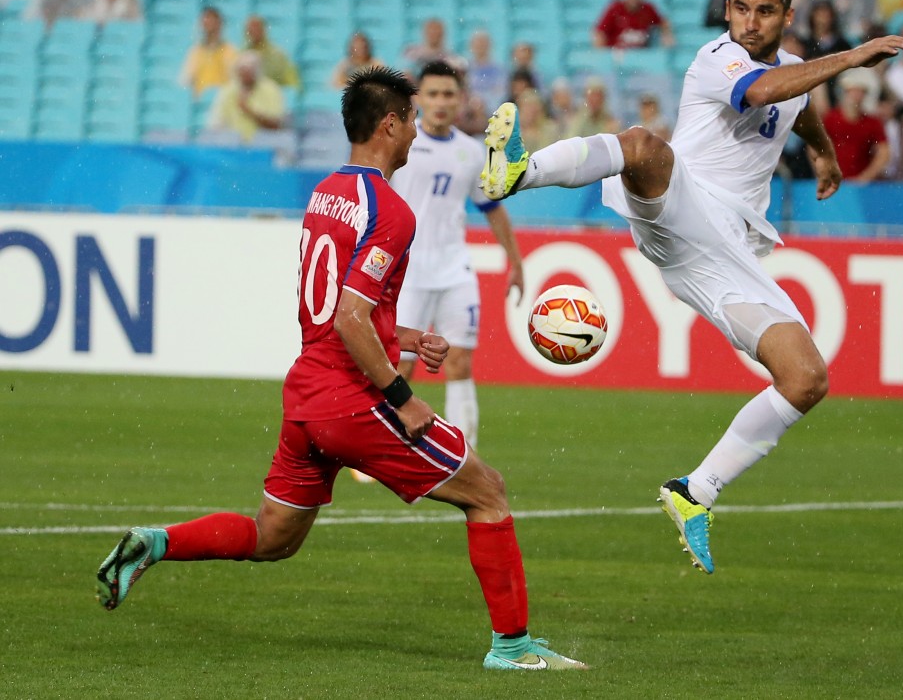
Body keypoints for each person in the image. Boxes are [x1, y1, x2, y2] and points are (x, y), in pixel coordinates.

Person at [95, 65, 585, 672]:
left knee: (273, 537)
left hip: (305, 393)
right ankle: (512, 648)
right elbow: (351, 315)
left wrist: (404, 336)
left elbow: (335, 311)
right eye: (408, 120)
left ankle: (159, 541)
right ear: (389, 123)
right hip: (352, 401)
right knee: (488, 493)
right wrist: (402, 395)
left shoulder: (326, 191)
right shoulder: (392, 209)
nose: (415, 134)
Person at [479, 0, 903, 574]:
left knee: (806, 377)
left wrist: (820, 153)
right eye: (740, 8)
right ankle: (521, 173)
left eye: (764, 11)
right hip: (686, 209)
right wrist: (851, 56)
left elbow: (794, 101)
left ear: (787, 16)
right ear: (726, 8)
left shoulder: (791, 71)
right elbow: (761, 93)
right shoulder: (718, 59)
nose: (750, 22)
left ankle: (695, 492)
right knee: (643, 146)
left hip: (726, 255)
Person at [390, 60, 524, 452]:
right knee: (402, 366)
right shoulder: (402, 146)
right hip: (407, 273)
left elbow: (492, 208)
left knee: (460, 362)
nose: (441, 101)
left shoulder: (471, 152)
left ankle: (462, 452)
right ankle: (382, 446)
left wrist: (515, 262)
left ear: (461, 99)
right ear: (418, 100)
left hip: (454, 270)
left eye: (449, 94)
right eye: (432, 94)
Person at [823, 68, 890, 182]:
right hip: (834, 182)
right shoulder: (830, 119)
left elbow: (884, 153)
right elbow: (814, 148)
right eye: (853, 90)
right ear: (845, 91)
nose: (856, 95)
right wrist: (825, 173)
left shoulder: (872, 123)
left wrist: (865, 178)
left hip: (861, 187)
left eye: (860, 91)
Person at [206, 51, 286, 142]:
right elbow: (215, 125)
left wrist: (248, 110)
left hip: (265, 147)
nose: (245, 75)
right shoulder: (227, 92)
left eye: (249, 71)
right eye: (242, 71)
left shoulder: (271, 89)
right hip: (232, 148)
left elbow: (276, 125)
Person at [592, 0, 675, 49]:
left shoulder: (648, 9)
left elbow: (663, 23)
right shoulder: (615, 8)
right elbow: (600, 33)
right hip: (619, 58)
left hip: (641, 57)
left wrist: (666, 36)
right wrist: (604, 57)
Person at [179, 6, 237, 98]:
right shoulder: (195, 51)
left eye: (211, 20)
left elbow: (234, 81)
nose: (207, 23)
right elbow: (185, 80)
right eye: (205, 20)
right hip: (199, 102)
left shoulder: (230, 50)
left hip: (221, 103)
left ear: (220, 24)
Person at [243, 15, 300, 89]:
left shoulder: (278, 55)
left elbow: (291, 83)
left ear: (264, 30)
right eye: (251, 29)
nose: (254, 31)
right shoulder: (241, 55)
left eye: (257, 28)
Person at [402, 17, 466, 74]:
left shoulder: (451, 58)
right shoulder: (411, 54)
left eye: (437, 31)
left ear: (443, 34)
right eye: (431, 30)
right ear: (424, 32)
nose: (434, 33)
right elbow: (405, 74)